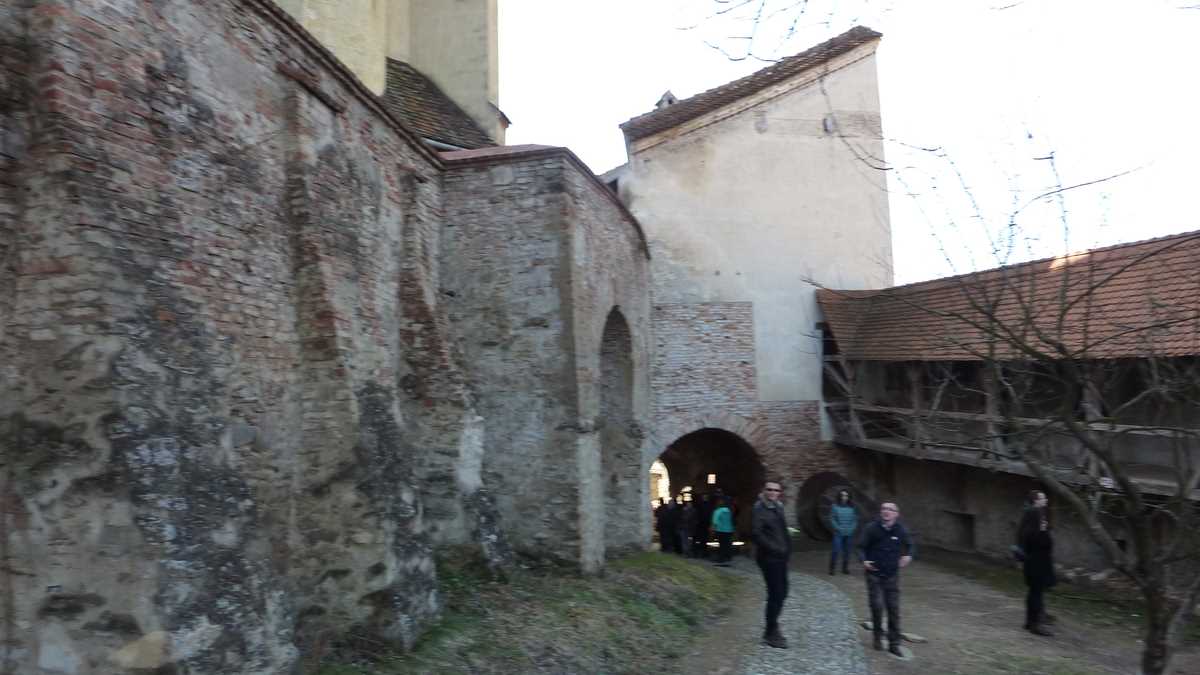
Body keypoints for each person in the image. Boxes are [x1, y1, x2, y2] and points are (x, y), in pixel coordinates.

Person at [857, 501, 915, 657]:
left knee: (893, 609)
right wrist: (864, 561)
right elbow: (861, 547)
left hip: (891, 575)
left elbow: (910, 545)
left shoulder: (900, 529)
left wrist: (908, 555)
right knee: (876, 606)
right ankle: (877, 636)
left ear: (896, 514)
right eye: (884, 508)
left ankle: (894, 644)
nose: (886, 511)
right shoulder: (871, 528)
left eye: (890, 509)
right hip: (873, 573)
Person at [751, 480, 791, 649]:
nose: (773, 492)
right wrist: (775, 549)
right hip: (769, 558)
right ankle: (770, 632)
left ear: (779, 492)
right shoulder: (760, 509)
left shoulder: (778, 507)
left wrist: (787, 548)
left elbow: (781, 531)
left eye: (776, 490)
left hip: (781, 557)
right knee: (776, 593)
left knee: (783, 592)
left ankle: (772, 627)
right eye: (770, 489)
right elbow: (756, 534)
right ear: (764, 490)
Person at [1018, 490, 1056, 636]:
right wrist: (1045, 531)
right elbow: (1036, 539)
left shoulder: (1032, 514)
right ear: (1036, 501)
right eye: (1043, 498)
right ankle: (1035, 624)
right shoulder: (1035, 514)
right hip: (1036, 561)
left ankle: (1031, 621)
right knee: (1036, 593)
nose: (1045, 500)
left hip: (1035, 560)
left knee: (1035, 592)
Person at [828, 489, 858, 575]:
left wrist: (852, 528)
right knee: (836, 550)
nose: (844, 497)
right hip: (838, 533)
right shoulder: (834, 506)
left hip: (849, 533)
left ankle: (845, 568)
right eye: (842, 495)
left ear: (849, 497)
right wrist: (838, 528)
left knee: (847, 551)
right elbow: (832, 518)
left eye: (846, 495)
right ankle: (832, 568)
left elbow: (855, 520)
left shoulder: (852, 507)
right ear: (839, 496)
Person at [711, 497, 735, 566]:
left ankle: (721, 558)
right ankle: (728, 557)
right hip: (729, 530)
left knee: (721, 544)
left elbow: (715, 522)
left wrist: (713, 530)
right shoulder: (729, 510)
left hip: (721, 530)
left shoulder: (717, 511)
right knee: (727, 544)